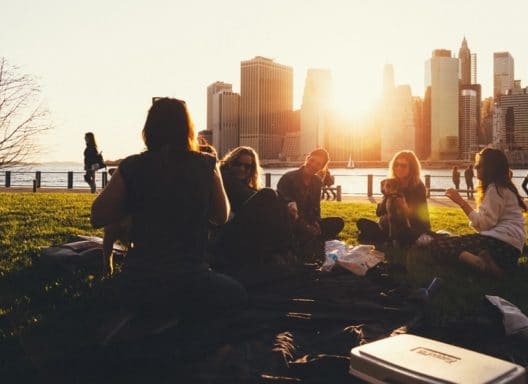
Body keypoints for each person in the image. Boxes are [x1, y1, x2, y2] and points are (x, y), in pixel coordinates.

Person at [90, 98, 246, 340]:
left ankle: (149, 318)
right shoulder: (206, 164)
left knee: (107, 297)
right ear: (188, 129)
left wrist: (135, 202)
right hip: (191, 279)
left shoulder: (132, 166)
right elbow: (221, 216)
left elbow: (97, 216)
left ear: (149, 130)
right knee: (236, 293)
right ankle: (176, 320)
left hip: (139, 279)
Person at [437, 148, 527, 277]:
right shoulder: (504, 188)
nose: (475, 167)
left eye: (479, 165)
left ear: (491, 168)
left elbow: (484, 224)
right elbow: (487, 225)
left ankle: (481, 265)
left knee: (440, 245)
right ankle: (491, 264)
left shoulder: (495, 189)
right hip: (512, 250)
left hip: (499, 243)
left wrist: (461, 202)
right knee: (457, 242)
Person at [216, 146, 294, 272]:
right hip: (225, 232)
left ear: (252, 170)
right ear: (231, 163)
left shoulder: (242, 183)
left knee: (275, 205)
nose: (242, 169)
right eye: (238, 164)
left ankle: (283, 251)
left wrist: (287, 203)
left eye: (247, 167)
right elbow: (250, 195)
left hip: (239, 229)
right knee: (268, 195)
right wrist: (282, 204)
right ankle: (285, 251)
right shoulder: (225, 177)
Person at [277, 148, 344, 259]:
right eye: (312, 160)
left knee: (338, 222)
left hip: (308, 220)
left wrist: (316, 222)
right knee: (305, 232)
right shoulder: (288, 178)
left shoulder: (317, 181)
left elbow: (316, 207)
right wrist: (306, 226)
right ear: (307, 159)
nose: (313, 165)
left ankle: (311, 236)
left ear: (321, 168)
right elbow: (285, 207)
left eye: (318, 164)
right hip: (291, 221)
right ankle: (304, 238)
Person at [356, 150, 431, 247]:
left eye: (403, 165)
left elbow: (418, 218)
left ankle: (386, 238)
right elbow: (379, 212)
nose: (398, 168)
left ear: (411, 168)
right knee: (362, 222)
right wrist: (385, 197)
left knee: (395, 225)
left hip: (413, 227)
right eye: (396, 164)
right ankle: (385, 238)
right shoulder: (392, 183)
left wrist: (405, 208)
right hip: (390, 225)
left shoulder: (417, 186)